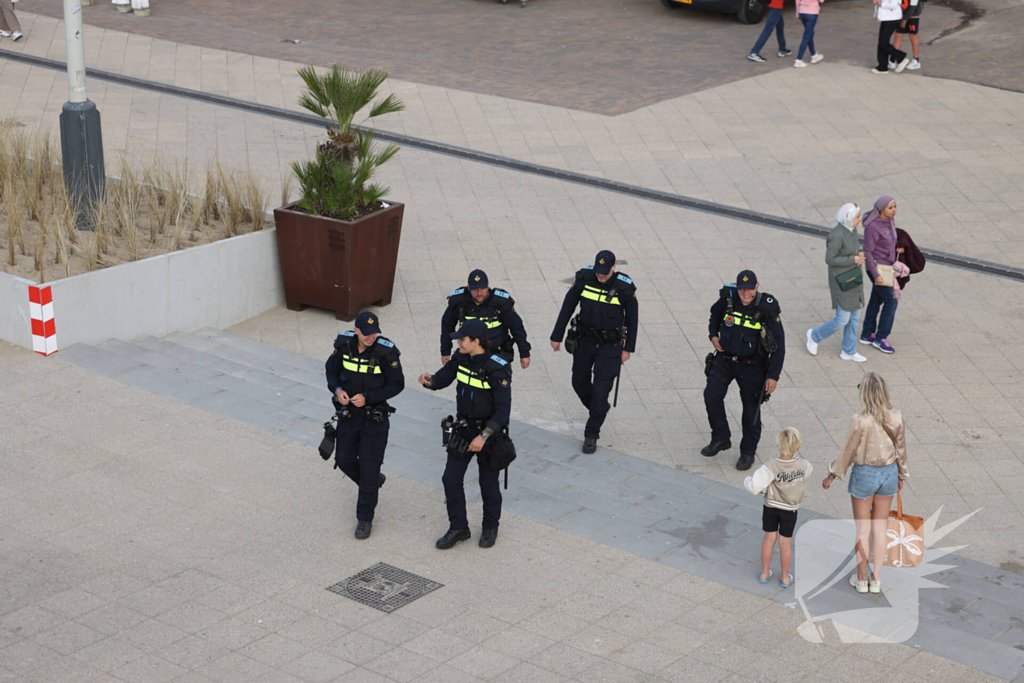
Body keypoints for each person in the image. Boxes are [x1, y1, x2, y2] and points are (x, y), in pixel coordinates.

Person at [419, 320, 514, 550]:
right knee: (450, 479)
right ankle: (459, 527)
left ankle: (490, 527)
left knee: (488, 484)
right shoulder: (460, 357)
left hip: (489, 434)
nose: (458, 342)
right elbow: (443, 377)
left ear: (476, 341)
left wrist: (483, 436)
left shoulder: (497, 368)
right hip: (463, 429)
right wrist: (429, 381)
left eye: (462, 339)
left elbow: (503, 410)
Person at [822, 373, 908, 594]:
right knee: (880, 529)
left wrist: (833, 474)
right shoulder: (897, 416)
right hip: (889, 474)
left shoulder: (860, 420)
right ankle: (876, 579)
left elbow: (848, 450)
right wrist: (901, 475)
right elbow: (901, 449)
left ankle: (861, 579)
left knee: (862, 530)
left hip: (864, 474)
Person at [325, 312, 405, 539]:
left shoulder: (385, 351)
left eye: (375, 333)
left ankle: (364, 518)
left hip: (374, 419)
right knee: (343, 460)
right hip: (348, 416)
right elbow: (331, 371)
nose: (372, 337)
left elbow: (397, 384)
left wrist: (369, 397)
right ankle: (371, 482)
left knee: (369, 467)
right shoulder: (343, 345)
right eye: (367, 333)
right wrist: (337, 390)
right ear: (356, 330)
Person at [550, 250, 638, 454]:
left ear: (614, 268)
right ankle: (599, 409)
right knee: (578, 382)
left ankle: (592, 433)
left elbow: (632, 320)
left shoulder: (624, 287)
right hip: (585, 340)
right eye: (598, 271)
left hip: (610, 346)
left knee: (600, 390)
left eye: (605, 272)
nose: (601, 275)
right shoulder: (584, 279)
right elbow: (567, 307)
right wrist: (557, 335)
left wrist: (628, 349)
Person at [702, 270, 786, 471]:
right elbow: (714, 315)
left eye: (749, 289)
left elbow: (780, 345)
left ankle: (747, 452)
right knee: (711, 395)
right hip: (725, 358)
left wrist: (773, 376)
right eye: (742, 289)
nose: (745, 293)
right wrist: (713, 335)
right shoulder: (728, 298)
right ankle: (721, 438)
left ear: (757, 287)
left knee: (751, 412)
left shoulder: (767, 308)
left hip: (753, 365)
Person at [744, 427, 812, 589]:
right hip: (790, 509)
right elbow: (806, 475)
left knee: (769, 539)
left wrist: (747, 480)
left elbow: (755, 487)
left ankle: (764, 573)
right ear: (798, 446)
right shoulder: (805, 465)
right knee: (785, 542)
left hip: (771, 507)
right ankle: (785, 577)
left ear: (778, 445)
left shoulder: (771, 466)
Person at [806, 203, 867, 362]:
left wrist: (859, 255)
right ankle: (814, 336)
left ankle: (849, 350)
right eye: (857, 217)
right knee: (842, 319)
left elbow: (852, 251)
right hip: (842, 281)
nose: (860, 220)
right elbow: (830, 259)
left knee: (854, 317)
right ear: (848, 218)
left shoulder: (852, 230)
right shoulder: (837, 234)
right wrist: (852, 259)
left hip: (852, 278)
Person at [441, 269, 531, 369]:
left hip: (496, 352)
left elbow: (517, 328)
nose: (479, 293)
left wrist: (524, 353)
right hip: (469, 352)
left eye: (483, 288)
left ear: (488, 285)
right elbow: (447, 326)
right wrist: (445, 351)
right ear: (469, 287)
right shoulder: (459, 301)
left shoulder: (501, 302)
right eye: (475, 289)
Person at [860, 196, 902, 354]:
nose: (894, 210)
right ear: (881, 209)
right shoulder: (873, 227)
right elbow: (868, 252)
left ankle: (867, 334)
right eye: (890, 207)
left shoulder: (890, 221)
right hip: (878, 269)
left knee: (876, 299)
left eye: (895, 206)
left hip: (887, 267)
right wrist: (876, 274)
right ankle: (881, 338)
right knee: (891, 301)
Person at [872, 0, 909, 74]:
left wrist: (881, 3)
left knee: (883, 43)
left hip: (892, 18)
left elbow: (894, 4)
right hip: (887, 18)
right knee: (882, 42)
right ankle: (882, 66)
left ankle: (900, 57)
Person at [891, 0, 924, 70]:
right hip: (903, 14)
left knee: (912, 35)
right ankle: (892, 60)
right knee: (898, 34)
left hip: (913, 15)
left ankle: (916, 60)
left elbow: (913, 6)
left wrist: (905, 20)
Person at [793, 0, 824, 68]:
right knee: (807, 36)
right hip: (812, 12)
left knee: (810, 33)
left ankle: (813, 55)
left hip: (802, 11)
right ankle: (798, 59)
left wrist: (797, 12)